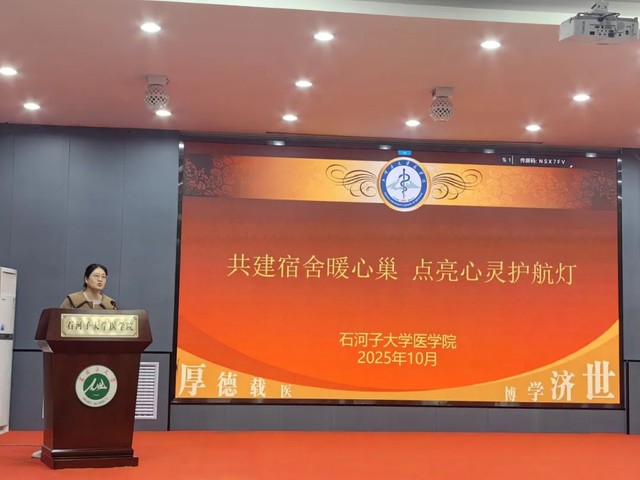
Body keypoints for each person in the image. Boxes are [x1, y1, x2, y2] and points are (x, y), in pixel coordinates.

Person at [32, 263, 118, 459]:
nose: (100, 279)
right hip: (70, 362)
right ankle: (53, 445)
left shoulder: (111, 305)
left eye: (104, 276)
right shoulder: (73, 300)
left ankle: (97, 443)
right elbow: (55, 326)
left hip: (102, 363)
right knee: (66, 405)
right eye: (96, 276)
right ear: (86, 279)